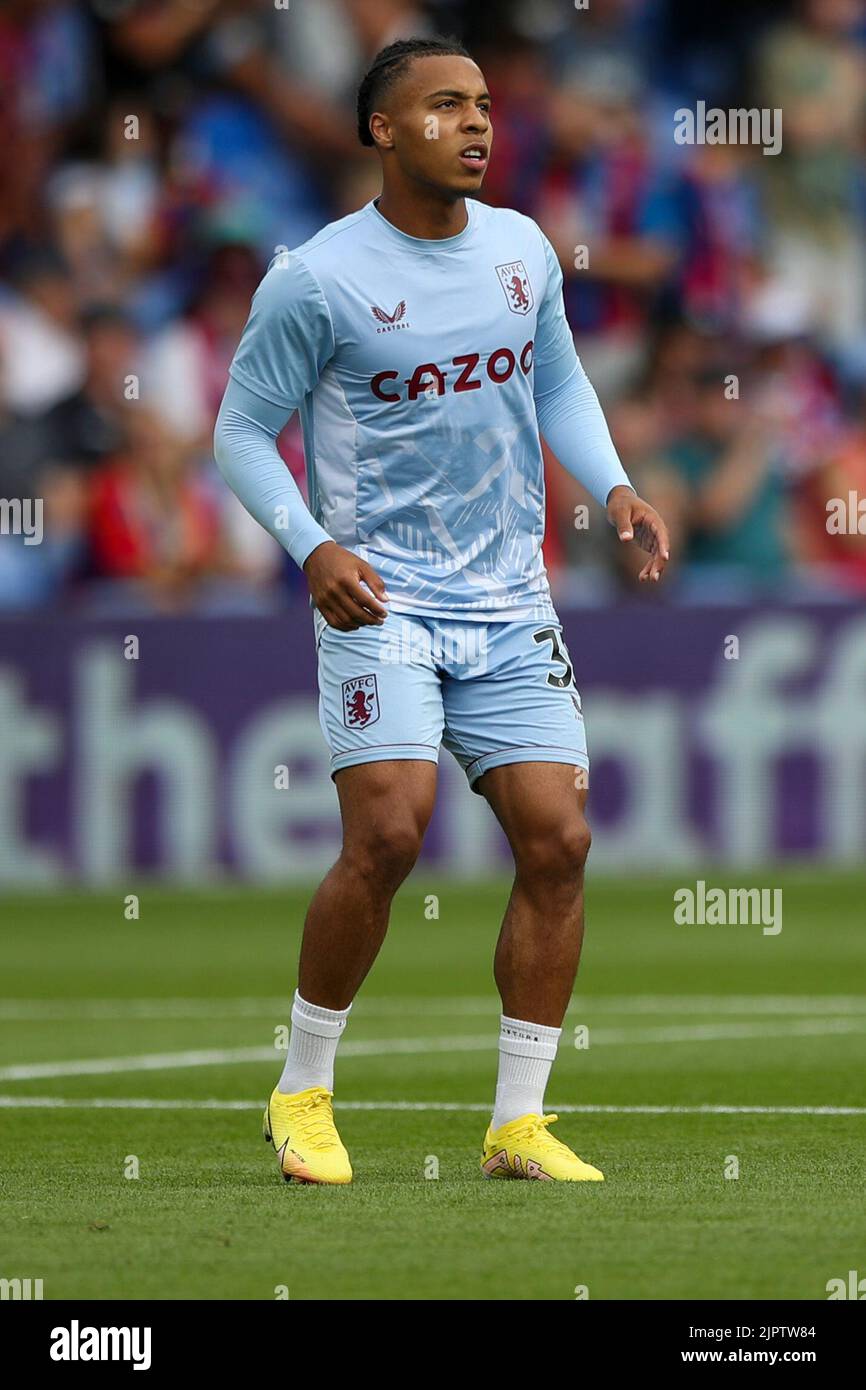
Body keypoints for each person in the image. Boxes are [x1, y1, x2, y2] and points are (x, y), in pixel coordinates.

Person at [214, 35, 670, 1185]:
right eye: (442, 106)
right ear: (382, 130)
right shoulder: (316, 278)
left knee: (559, 840)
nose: (474, 124)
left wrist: (611, 483)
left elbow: (554, 378)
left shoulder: (519, 249)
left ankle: (517, 1121)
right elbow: (237, 432)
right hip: (383, 595)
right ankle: (301, 1089)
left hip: (509, 594)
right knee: (386, 831)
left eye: (480, 104)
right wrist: (309, 545)